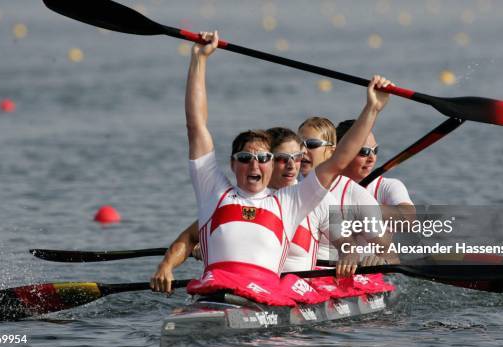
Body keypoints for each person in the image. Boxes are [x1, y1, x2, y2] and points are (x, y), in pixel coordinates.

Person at [152, 30, 392, 306]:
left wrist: (372, 109)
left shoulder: (288, 202)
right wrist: (199, 59)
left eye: (262, 158)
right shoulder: (214, 193)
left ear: (269, 164)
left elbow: (337, 162)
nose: (254, 164)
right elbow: (196, 126)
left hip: (262, 299)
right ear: (232, 164)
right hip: (213, 294)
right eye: (245, 158)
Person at [298, 117, 398, 266]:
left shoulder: (357, 196)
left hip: (337, 278)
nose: (302, 150)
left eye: (311, 144)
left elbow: (391, 257)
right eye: (299, 144)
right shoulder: (287, 186)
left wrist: (380, 261)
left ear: (332, 151)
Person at [335, 119, 416, 222]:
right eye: (364, 152)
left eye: (375, 150)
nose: (372, 158)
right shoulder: (323, 186)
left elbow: (408, 219)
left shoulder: (388, 186)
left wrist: (362, 207)